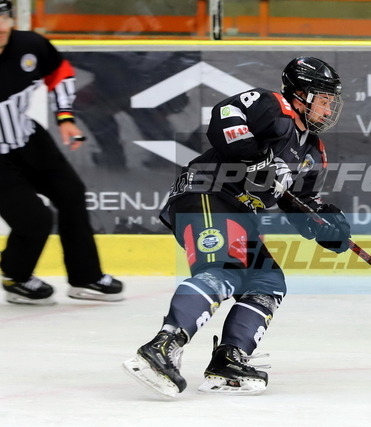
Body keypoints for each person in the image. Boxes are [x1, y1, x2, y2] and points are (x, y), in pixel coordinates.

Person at [123, 56, 351, 398]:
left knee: (267, 282)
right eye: (323, 99)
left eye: (331, 101)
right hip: (205, 192)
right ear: (301, 95)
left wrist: (326, 226)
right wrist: (253, 156)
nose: (328, 108)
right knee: (224, 268)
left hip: (238, 213)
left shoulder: (312, 152)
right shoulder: (273, 107)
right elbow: (225, 115)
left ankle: (228, 360)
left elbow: (299, 203)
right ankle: (163, 346)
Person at [0, 0, 124, 305]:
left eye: (4, 17)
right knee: (35, 219)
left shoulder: (30, 44)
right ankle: (16, 276)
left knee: (71, 193)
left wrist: (65, 118)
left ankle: (86, 277)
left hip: (28, 139)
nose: (1, 27)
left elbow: (60, 73)